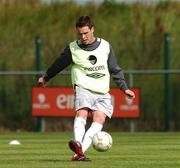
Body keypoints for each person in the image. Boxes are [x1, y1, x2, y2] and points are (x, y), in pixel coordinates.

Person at [38, 15, 135, 161]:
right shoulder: (73, 48)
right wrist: (46, 77)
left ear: (92, 29)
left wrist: (124, 88)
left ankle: (79, 152)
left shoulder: (105, 46)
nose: (83, 37)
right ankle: (78, 143)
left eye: (86, 33)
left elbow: (115, 69)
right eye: (80, 34)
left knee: (99, 119)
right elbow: (59, 64)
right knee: (82, 113)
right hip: (83, 88)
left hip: (102, 92)